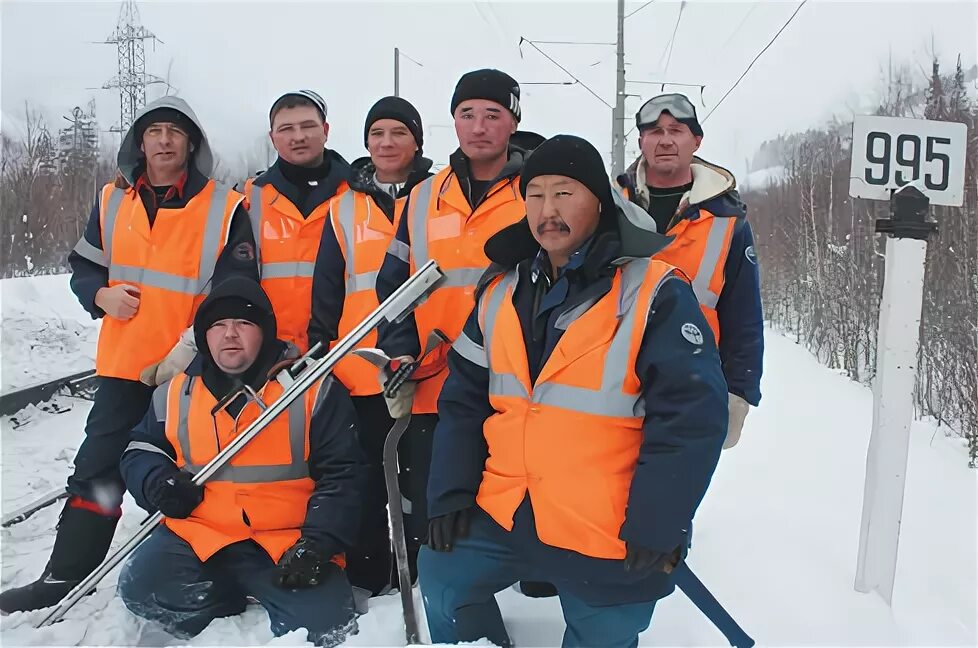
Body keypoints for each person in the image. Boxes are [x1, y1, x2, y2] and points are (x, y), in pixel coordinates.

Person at [418, 135, 729, 648]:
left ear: (600, 202)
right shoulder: (498, 292)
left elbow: (691, 419)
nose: (547, 210)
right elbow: (463, 403)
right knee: (443, 574)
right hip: (507, 510)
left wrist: (658, 522)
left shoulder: (654, 292)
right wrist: (449, 491)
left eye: (564, 193)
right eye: (535, 194)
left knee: (606, 633)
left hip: (607, 525)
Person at [0, 96, 258, 613]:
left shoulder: (226, 208)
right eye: (154, 131)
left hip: (194, 372)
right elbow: (85, 267)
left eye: (174, 132)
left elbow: (236, 290)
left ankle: (219, 573)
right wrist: (100, 296)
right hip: (124, 368)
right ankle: (66, 575)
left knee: (202, 475)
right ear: (139, 143)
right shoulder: (112, 202)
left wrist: (191, 347)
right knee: (97, 471)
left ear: (191, 144)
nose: (164, 140)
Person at [116, 276, 365, 646]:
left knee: (326, 628)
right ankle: (224, 595)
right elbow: (141, 450)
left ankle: (274, 591)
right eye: (218, 325)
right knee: (142, 588)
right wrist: (156, 483)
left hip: (289, 543)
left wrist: (319, 543)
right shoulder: (175, 393)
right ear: (203, 336)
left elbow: (346, 475)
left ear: (264, 332)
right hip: (202, 536)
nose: (229, 334)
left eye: (243, 323)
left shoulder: (313, 389)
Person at [373, 69, 531, 581]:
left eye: (493, 115)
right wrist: (397, 355)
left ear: (513, 122)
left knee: (516, 492)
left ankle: (527, 581)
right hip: (434, 383)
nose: (479, 126)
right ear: (453, 122)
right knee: (436, 500)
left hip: (514, 383)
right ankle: (441, 587)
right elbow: (392, 288)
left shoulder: (537, 191)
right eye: (467, 114)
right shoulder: (423, 197)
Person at [308, 96, 433, 597]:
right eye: (377, 133)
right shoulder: (342, 209)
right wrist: (322, 351)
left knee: (418, 480)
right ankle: (367, 572)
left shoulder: (437, 196)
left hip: (419, 366)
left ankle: (422, 571)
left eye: (398, 133)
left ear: (417, 141)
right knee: (362, 480)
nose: (386, 143)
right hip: (358, 371)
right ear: (365, 142)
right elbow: (327, 290)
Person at [615, 92, 763, 449]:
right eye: (654, 131)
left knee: (670, 495)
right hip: (611, 377)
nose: (665, 140)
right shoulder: (610, 206)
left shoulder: (728, 221)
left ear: (696, 140)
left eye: (676, 130)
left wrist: (739, 392)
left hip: (691, 380)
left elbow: (743, 314)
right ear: (641, 142)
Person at [240, 90, 351, 352]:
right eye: (287, 129)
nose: (298, 137)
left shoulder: (357, 195)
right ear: (272, 138)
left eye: (308, 126)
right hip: (270, 354)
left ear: (325, 130)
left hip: (344, 350)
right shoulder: (250, 199)